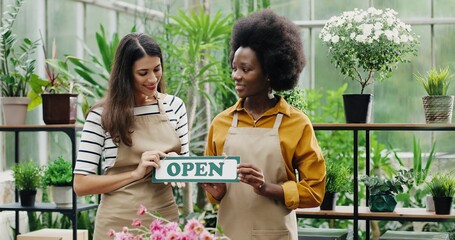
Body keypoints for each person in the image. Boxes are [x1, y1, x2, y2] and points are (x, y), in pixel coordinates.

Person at [200, 9, 326, 240]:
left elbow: (314, 191)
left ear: (269, 72)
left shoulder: (296, 123)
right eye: (235, 68)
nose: (236, 76)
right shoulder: (221, 123)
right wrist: (217, 192)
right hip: (229, 233)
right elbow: (216, 191)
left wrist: (267, 188)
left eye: (246, 69)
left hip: (276, 234)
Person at [73, 33, 189, 239]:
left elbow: (186, 167)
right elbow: (81, 184)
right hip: (116, 223)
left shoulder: (174, 106)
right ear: (126, 74)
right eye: (143, 73)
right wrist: (135, 174)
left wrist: (176, 166)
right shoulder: (101, 115)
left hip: (163, 221)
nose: (153, 79)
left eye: (157, 69)